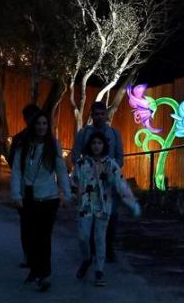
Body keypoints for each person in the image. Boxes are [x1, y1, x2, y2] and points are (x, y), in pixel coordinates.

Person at [10, 111, 72, 292]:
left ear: (48, 126)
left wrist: (66, 194)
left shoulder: (53, 145)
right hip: (28, 196)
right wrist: (16, 194)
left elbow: (61, 172)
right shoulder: (23, 145)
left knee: (44, 237)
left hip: (49, 198)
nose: (41, 127)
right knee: (30, 237)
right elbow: (16, 171)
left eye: (45, 124)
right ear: (32, 125)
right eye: (38, 123)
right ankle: (35, 269)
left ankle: (44, 274)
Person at [71, 131, 140, 286]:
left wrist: (131, 202)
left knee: (100, 238)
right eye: (94, 143)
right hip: (85, 205)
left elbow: (121, 184)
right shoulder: (82, 164)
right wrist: (67, 196)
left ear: (104, 145)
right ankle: (87, 258)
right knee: (83, 237)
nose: (96, 146)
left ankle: (99, 271)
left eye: (99, 143)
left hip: (103, 206)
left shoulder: (110, 164)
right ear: (90, 145)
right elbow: (73, 182)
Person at [72, 101, 124, 261]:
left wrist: (108, 170)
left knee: (111, 215)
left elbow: (120, 157)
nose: (99, 117)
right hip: (89, 183)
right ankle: (92, 248)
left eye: (102, 114)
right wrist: (84, 170)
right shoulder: (84, 133)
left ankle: (108, 247)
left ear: (106, 115)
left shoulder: (114, 134)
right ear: (92, 115)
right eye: (96, 114)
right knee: (90, 214)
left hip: (108, 183)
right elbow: (75, 154)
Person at [7, 103, 41, 269]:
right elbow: (13, 162)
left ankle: (34, 255)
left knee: (35, 224)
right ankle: (29, 255)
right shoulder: (19, 139)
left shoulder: (45, 140)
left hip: (40, 188)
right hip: (24, 187)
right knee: (27, 223)